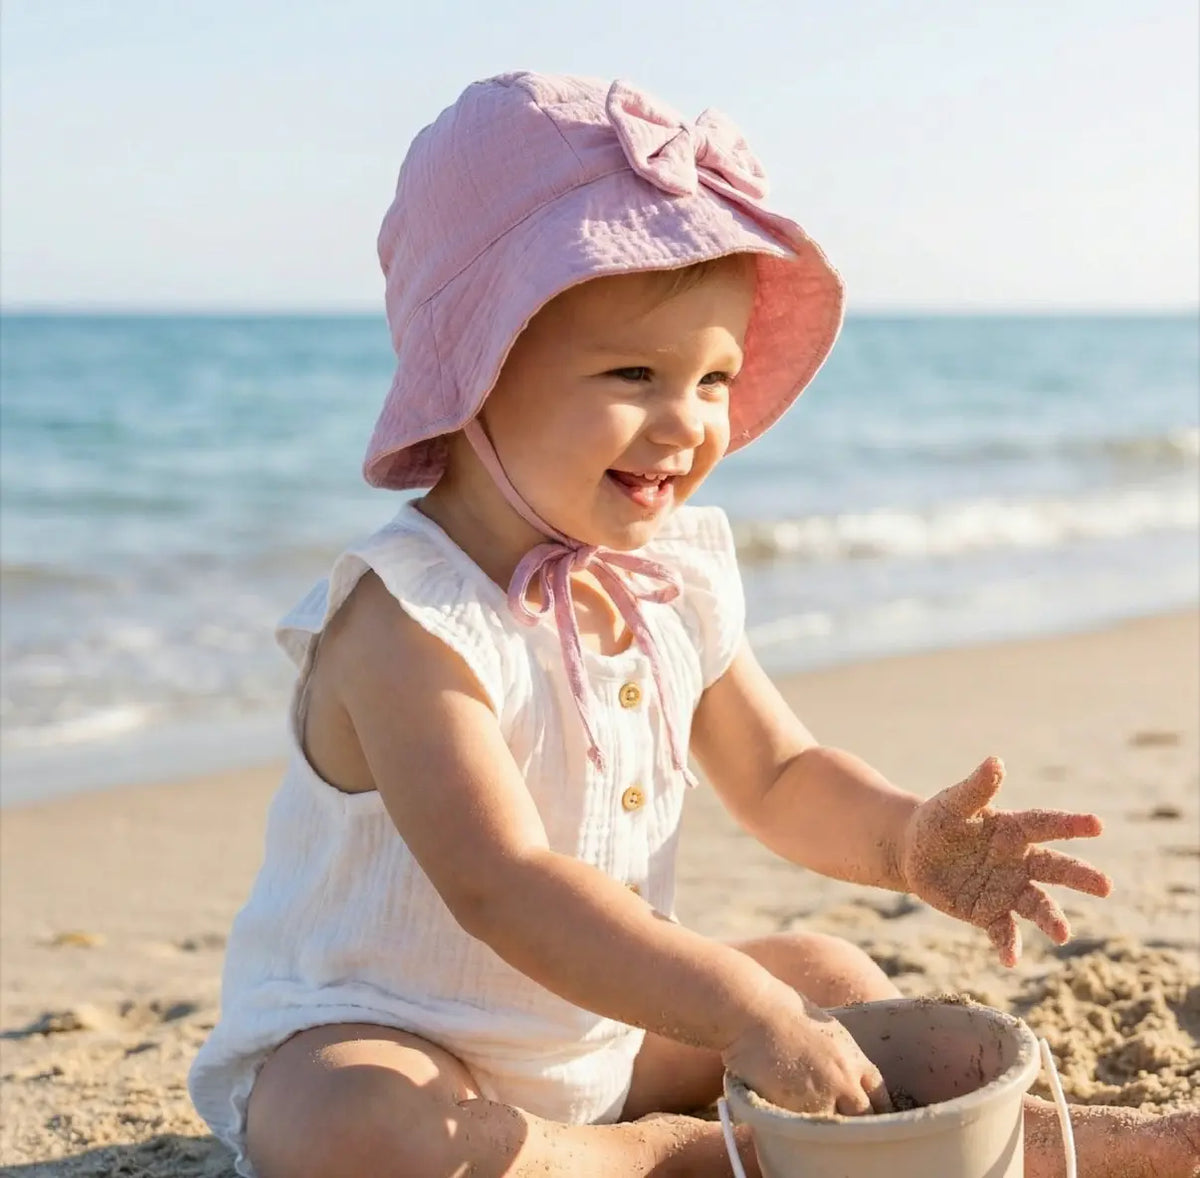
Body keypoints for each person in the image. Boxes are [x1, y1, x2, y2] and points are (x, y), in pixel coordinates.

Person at [188, 72, 1199, 1178]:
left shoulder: (669, 577)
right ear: (473, 372)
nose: (688, 421)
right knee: (356, 1131)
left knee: (828, 975)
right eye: (634, 372)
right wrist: (735, 1005)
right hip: (395, 1041)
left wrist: (906, 839)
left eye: (715, 375)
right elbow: (504, 880)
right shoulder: (409, 617)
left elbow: (779, 772)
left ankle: (1055, 1142)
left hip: (606, 1029)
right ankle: (669, 1155)